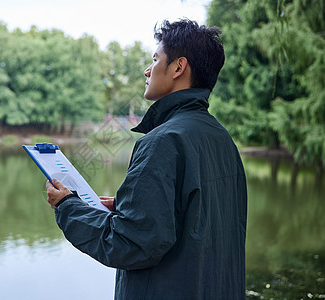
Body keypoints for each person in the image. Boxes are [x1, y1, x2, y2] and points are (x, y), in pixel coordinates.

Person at [46, 19, 247, 299]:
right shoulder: (221, 139)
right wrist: (129, 206)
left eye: (155, 59)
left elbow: (129, 243)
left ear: (179, 67)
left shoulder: (162, 141)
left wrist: (67, 206)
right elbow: (196, 217)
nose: (147, 69)